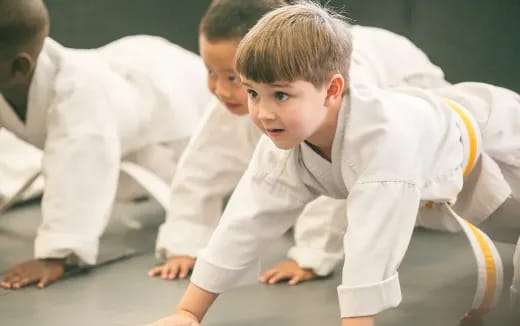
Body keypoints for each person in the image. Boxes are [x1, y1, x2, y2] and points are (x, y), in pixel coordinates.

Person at [145, 1, 520, 325]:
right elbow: (245, 219)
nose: (262, 112)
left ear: (333, 89)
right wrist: (188, 312)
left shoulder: (381, 141)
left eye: (280, 95)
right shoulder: (284, 135)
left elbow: (370, 246)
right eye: (252, 93)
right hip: (443, 168)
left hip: (501, 146)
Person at [0, 0, 211, 289]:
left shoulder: (77, 94)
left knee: (228, 155)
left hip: (173, 86)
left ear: (19, 68)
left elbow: (78, 167)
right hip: (120, 71)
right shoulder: (11, 74)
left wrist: (56, 254)